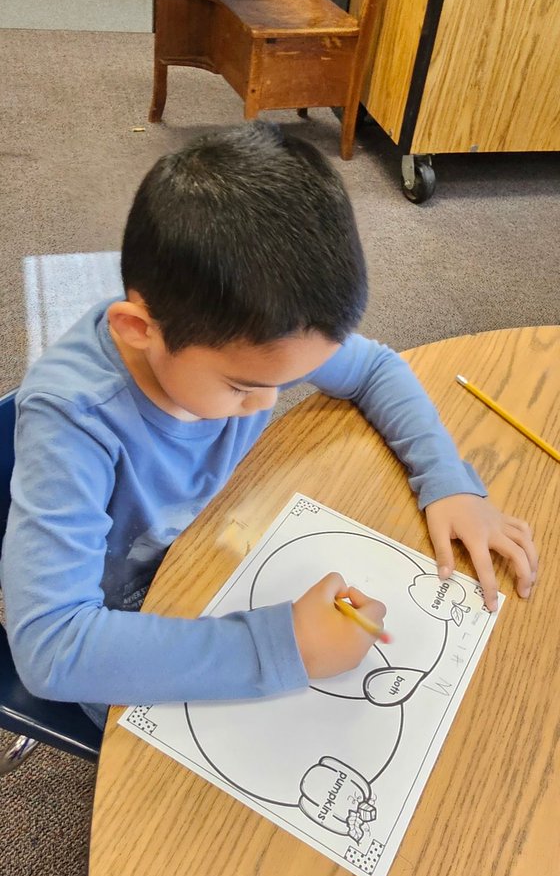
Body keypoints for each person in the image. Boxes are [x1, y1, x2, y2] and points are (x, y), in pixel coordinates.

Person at [1, 123, 537, 731]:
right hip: (123, 635)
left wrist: (448, 481)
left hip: (215, 560)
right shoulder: (72, 421)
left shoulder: (253, 331)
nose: (265, 406)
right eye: (241, 387)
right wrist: (287, 649)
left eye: (283, 381)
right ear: (138, 329)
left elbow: (377, 368)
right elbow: (52, 648)